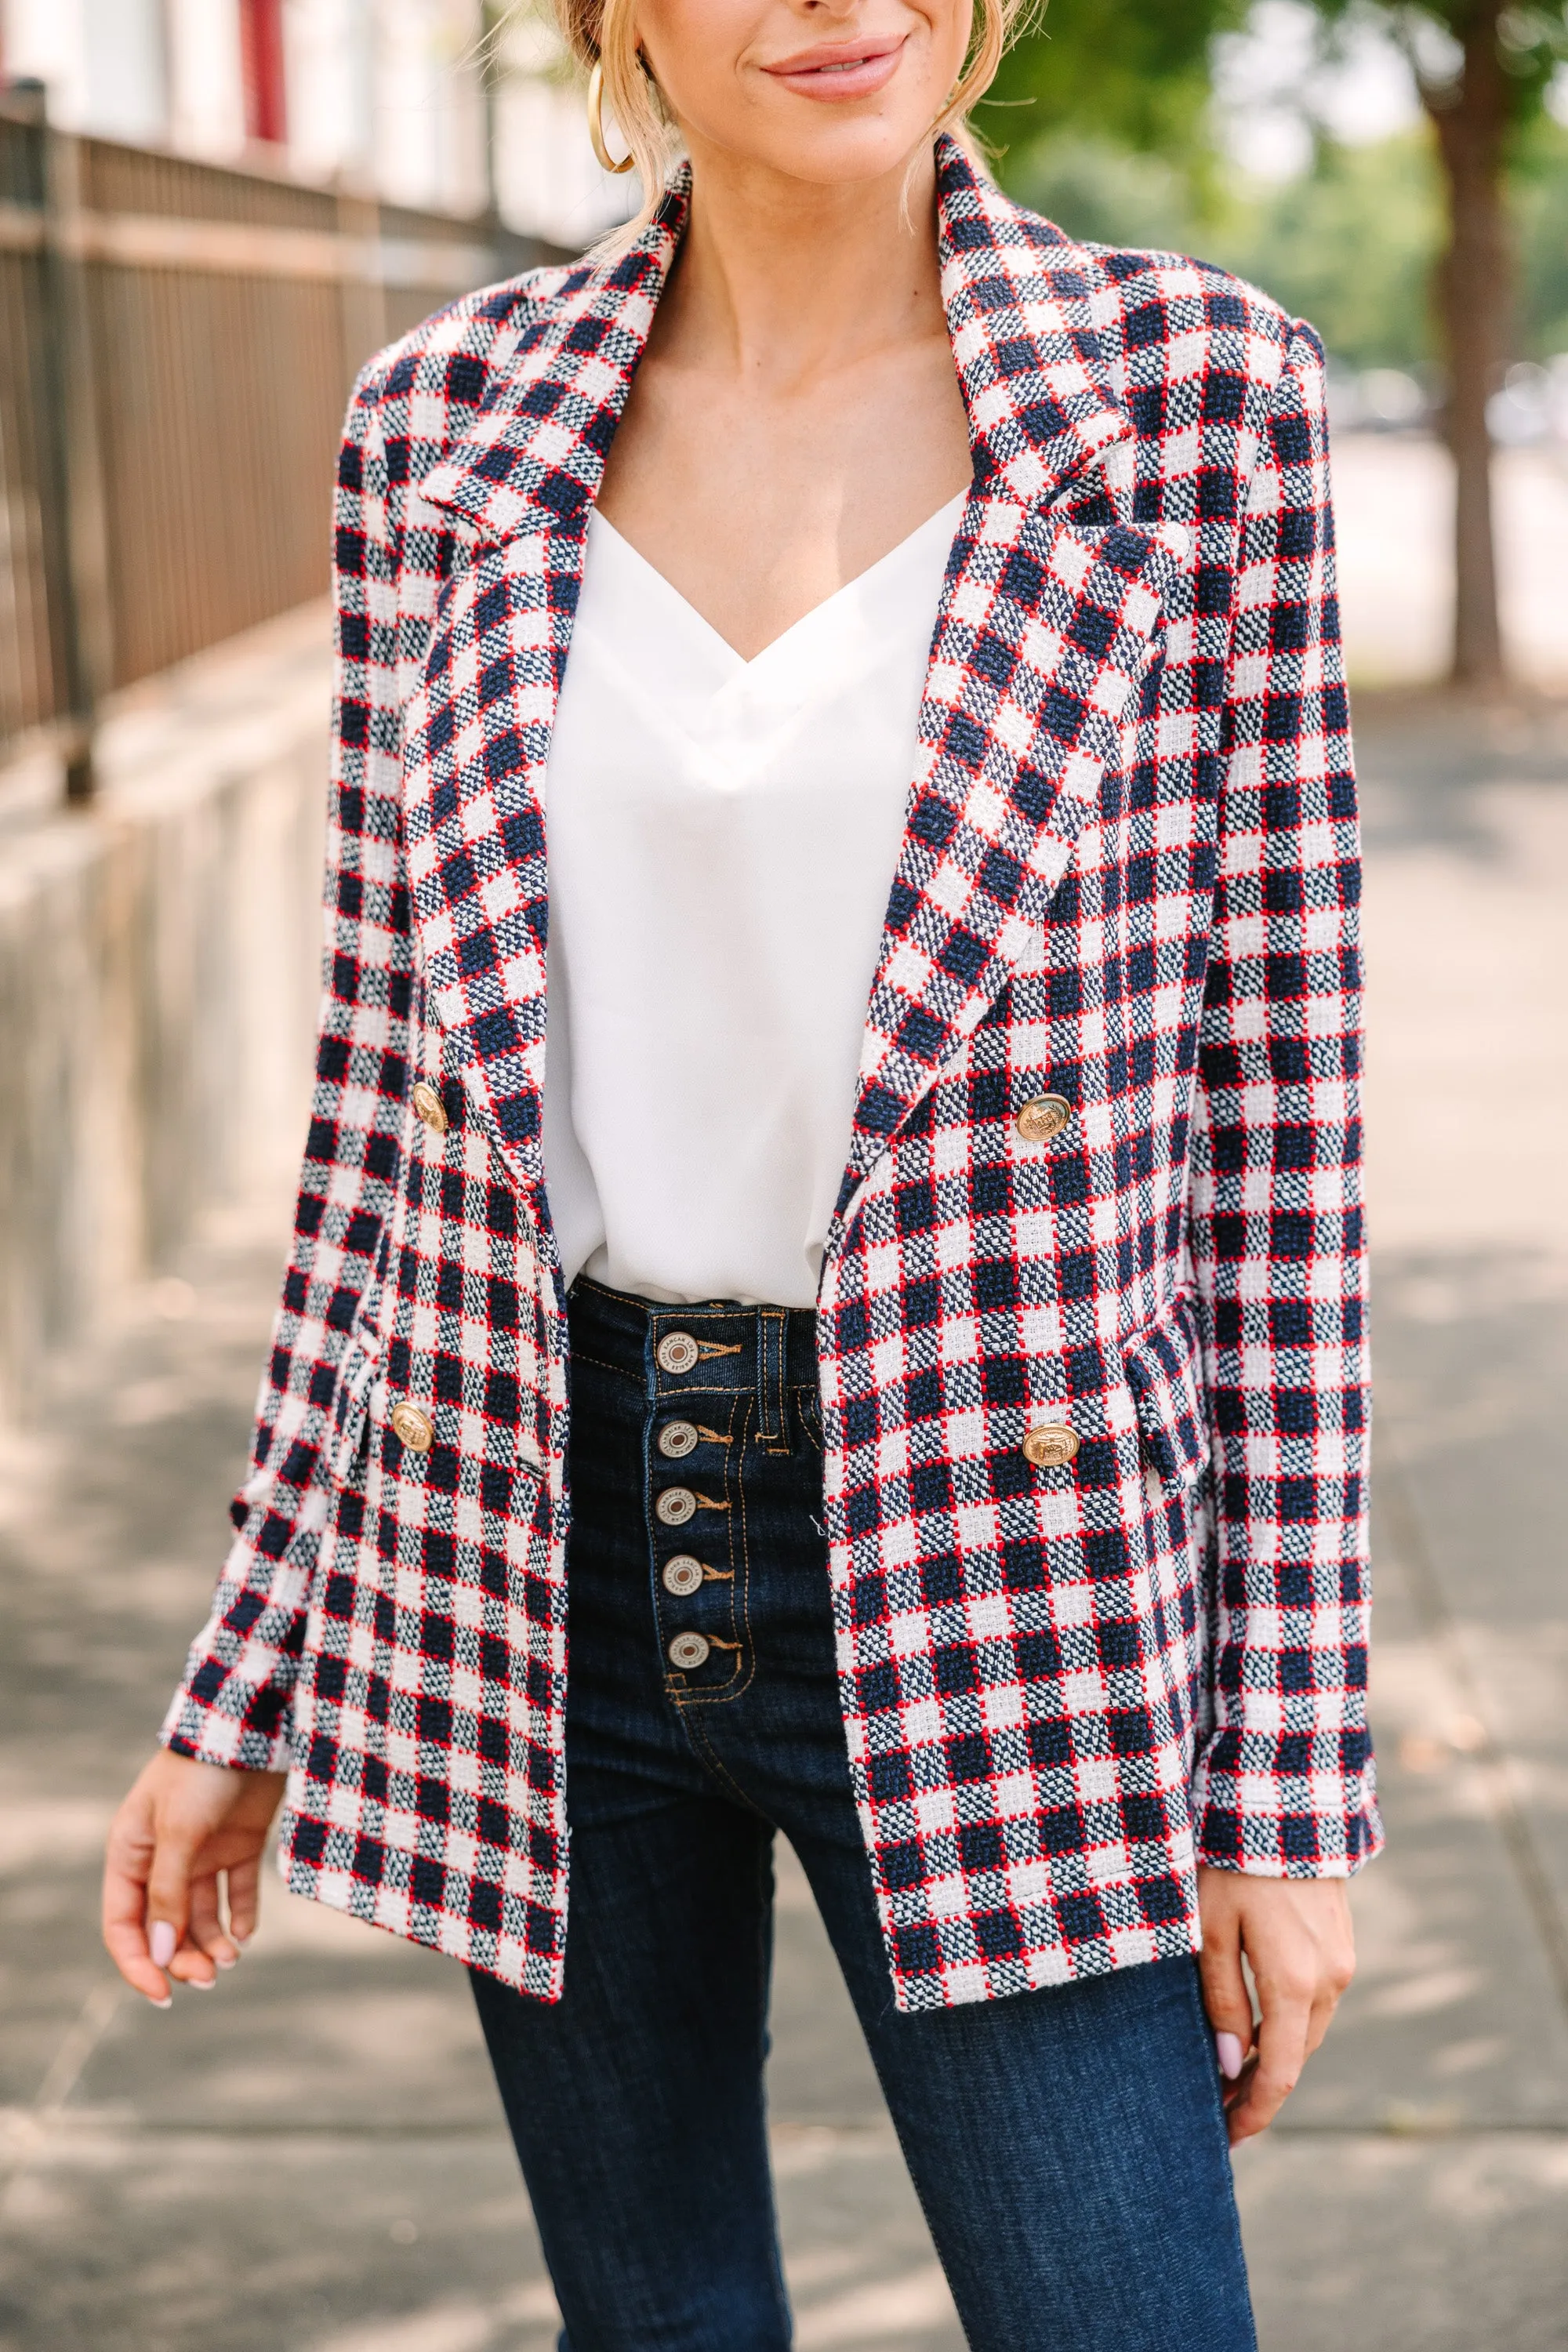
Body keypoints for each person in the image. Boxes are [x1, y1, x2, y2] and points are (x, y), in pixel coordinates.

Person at [102, 2, 1377, 2344]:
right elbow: (386, 1102)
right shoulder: (445, 428)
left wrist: (1282, 1789)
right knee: (658, 2320)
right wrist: (240, 1679)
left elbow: (1281, 1148)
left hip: (1014, 1562)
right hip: (539, 1530)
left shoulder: (1196, 399)